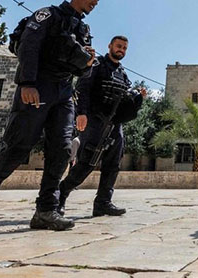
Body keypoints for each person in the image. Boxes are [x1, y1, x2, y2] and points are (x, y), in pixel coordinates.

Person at [0, 0, 100, 231]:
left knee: (61, 150)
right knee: (18, 148)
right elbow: (29, 46)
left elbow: (81, 69)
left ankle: (46, 210)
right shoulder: (47, 15)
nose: (95, 2)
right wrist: (27, 82)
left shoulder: (83, 28)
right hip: (39, 86)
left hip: (64, 92)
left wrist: (87, 62)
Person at [57, 36, 146, 217]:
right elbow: (83, 88)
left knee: (113, 165)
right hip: (95, 121)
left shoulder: (122, 73)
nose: (121, 50)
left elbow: (124, 100)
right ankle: (60, 196)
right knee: (87, 163)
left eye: (124, 48)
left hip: (115, 124)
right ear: (110, 46)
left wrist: (139, 99)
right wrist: (81, 113)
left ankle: (103, 203)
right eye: (119, 46)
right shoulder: (97, 64)